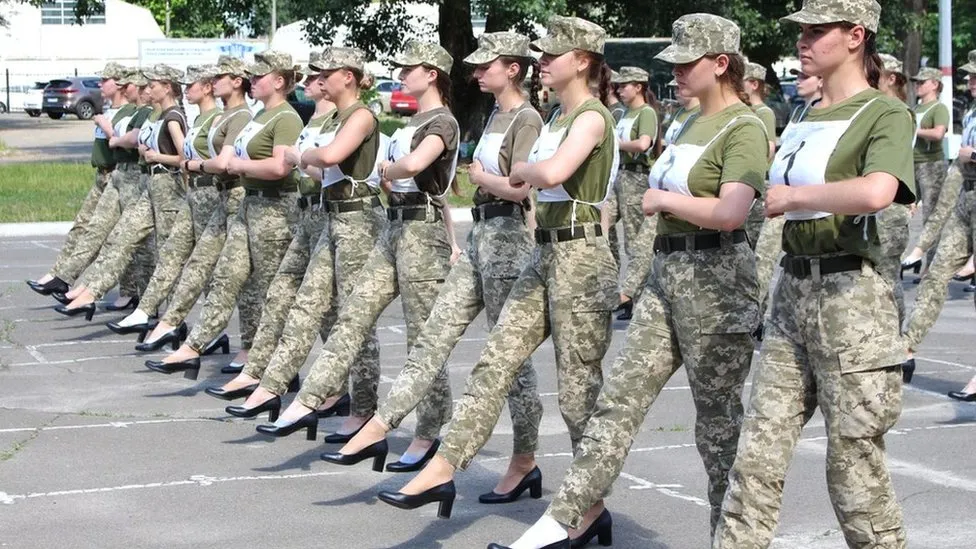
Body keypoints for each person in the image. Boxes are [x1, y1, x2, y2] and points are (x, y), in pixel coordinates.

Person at [489, 13, 766, 548]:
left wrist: (662, 200)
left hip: (717, 283)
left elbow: (733, 210)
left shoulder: (745, 126)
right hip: (667, 272)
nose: (677, 73)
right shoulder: (685, 123)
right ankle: (564, 522)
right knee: (617, 404)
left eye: (687, 64)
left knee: (717, 432)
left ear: (721, 64)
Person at [371, 15, 619, 523]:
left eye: (553, 55)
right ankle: (443, 465)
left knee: (577, 395)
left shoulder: (592, 116)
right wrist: (516, 174)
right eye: (541, 54)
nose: (543, 62)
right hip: (545, 251)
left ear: (584, 62)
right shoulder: (553, 120)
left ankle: (589, 507)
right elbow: (533, 176)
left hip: (581, 257)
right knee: (494, 363)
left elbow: (543, 174)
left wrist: (516, 173)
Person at [713, 2, 915, 547]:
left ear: (855, 36)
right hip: (794, 289)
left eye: (817, 31)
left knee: (853, 466)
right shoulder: (806, 114)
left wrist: (796, 195)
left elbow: (878, 191)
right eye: (801, 31)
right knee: (755, 457)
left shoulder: (884, 113)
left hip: (852, 298)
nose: (804, 41)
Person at [322, 32, 546, 498]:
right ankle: (382, 425)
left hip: (507, 238)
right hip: (482, 232)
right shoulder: (494, 114)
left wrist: (482, 178)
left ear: (514, 70)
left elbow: (520, 187)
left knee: (511, 363)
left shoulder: (526, 117)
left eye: (490, 65)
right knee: (432, 335)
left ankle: (524, 459)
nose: (479, 72)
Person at [248, 40, 460, 449]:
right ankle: (308, 400)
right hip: (392, 225)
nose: (401, 74)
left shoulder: (442, 122)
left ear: (432, 73)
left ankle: (428, 432)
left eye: (410, 68)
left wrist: (386, 168)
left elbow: (416, 169)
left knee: (423, 337)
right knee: (352, 316)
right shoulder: (411, 122)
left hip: (417, 231)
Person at [208, 47, 388, 424]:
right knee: (300, 301)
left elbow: (329, 156)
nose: (318, 79)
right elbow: (320, 170)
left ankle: (362, 408)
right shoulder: (335, 116)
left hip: (357, 220)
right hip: (329, 216)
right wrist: (304, 157)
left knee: (354, 318)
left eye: (327, 73)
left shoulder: (362, 115)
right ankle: (271, 385)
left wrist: (298, 155)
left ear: (348, 77)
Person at [145, 51, 304, 379]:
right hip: (250, 205)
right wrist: (229, 165)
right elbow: (229, 158)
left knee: (271, 292)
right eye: (252, 76)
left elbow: (278, 166)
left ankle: (273, 370)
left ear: (279, 81)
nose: (252, 82)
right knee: (226, 277)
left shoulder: (286, 117)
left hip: (276, 210)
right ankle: (194, 346)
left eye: (259, 77)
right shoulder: (259, 116)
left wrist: (235, 166)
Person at [109, 56, 254, 362]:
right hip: (210, 195)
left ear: (237, 81)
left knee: (235, 278)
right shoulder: (215, 119)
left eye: (218, 78)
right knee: (190, 263)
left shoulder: (240, 116)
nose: (212, 83)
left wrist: (190, 164)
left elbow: (219, 162)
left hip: (232, 198)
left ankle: (243, 346)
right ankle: (162, 319)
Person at [61, 65, 225, 321]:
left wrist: (156, 156)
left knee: (169, 254)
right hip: (152, 185)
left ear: (167, 88)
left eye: (153, 85)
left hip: (169, 188)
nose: (148, 90)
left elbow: (183, 157)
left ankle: (169, 319)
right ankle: (91, 291)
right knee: (126, 236)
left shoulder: (173, 117)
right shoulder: (161, 116)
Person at [903, 52, 976, 388]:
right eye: (969, 77)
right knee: (936, 275)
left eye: (975, 77)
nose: (970, 83)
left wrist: (971, 155)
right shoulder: (973, 112)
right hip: (967, 196)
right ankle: (906, 347)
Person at [27, 62, 130, 297]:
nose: (101, 84)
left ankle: (100, 288)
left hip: (118, 176)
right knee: (81, 227)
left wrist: (105, 126)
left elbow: (125, 144)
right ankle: (58, 274)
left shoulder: (126, 112)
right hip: (101, 176)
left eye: (106, 80)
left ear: (121, 84)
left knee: (104, 234)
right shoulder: (106, 109)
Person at [614, 80, 700, 321]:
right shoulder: (682, 114)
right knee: (641, 242)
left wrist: (615, 144)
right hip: (656, 185)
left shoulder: (698, 114)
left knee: (641, 243)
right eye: (672, 87)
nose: (676, 90)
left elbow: (645, 144)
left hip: (666, 187)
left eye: (681, 85)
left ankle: (630, 294)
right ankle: (631, 294)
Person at [753, 69, 822, 330]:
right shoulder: (799, 112)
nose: (798, 81)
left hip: (804, 202)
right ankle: (756, 317)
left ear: (821, 79)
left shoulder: (823, 115)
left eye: (805, 76)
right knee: (763, 258)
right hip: (780, 197)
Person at [602, 66, 659, 276]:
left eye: (624, 86)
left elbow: (644, 144)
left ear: (638, 87)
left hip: (636, 177)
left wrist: (617, 144)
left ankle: (637, 292)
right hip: (619, 175)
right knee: (602, 225)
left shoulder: (646, 112)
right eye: (618, 86)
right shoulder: (625, 113)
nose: (619, 90)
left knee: (634, 239)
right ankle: (612, 276)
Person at [875, 54, 913, 328]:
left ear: (891, 78)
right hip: (875, 208)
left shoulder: (898, 111)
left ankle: (896, 337)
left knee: (887, 278)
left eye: (878, 72)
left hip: (891, 208)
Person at [901, 66, 950, 278]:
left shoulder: (938, 108)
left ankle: (930, 265)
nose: (918, 85)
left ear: (935, 85)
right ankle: (905, 258)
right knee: (902, 209)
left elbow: (938, 133)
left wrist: (913, 130)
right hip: (912, 164)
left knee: (931, 216)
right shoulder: (916, 108)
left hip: (931, 165)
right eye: (916, 82)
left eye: (922, 82)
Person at [743, 60, 777, 248]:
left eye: (742, 80)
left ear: (754, 84)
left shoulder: (764, 112)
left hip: (759, 180)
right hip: (747, 179)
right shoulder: (745, 110)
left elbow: (770, 147)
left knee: (753, 232)